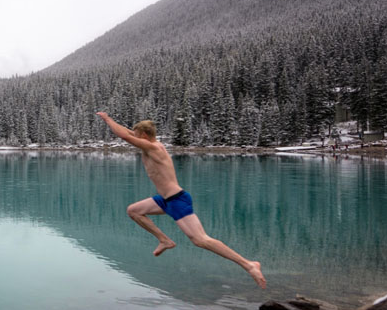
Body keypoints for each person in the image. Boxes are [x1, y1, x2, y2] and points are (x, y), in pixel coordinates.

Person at [96, 112, 266, 290]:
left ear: (144, 136)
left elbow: (124, 136)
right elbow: (128, 133)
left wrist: (107, 120)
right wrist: (113, 120)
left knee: (201, 240)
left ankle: (248, 265)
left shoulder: (154, 148)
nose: (134, 136)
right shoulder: (149, 144)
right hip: (164, 200)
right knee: (134, 210)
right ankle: (165, 240)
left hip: (177, 200)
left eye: (137, 134)